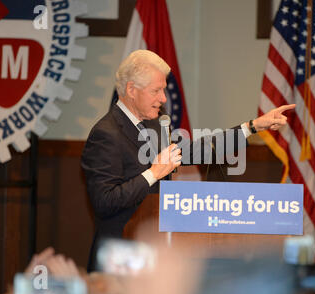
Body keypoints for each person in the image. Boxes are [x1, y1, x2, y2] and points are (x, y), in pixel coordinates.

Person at [81, 49, 295, 272]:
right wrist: (153, 173)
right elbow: (104, 202)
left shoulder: (156, 124)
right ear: (131, 90)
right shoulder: (106, 134)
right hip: (118, 263)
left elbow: (198, 151)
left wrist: (252, 127)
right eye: (156, 91)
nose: (163, 99)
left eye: (163, 90)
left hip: (156, 257)